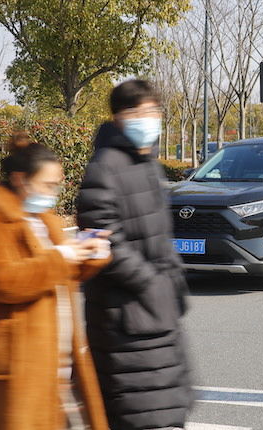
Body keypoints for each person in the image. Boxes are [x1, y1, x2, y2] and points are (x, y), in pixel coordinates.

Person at [0, 132, 111, 430]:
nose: (53, 193)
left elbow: (59, 273)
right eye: (47, 185)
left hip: (52, 361)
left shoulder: (44, 218)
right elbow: (5, 281)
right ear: (20, 180)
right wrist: (64, 256)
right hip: (16, 366)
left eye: (56, 185)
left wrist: (90, 254)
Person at [76, 80, 192, 430]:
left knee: (166, 409)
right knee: (141, 414)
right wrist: (153, 285)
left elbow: (159, 235)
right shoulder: (105, 166)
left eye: (154, 112)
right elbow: (102, 238)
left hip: (157, 317)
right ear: (119, 117)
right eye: (140, 112)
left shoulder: (146, 163)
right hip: (124, 319)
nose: (149, 120)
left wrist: (174, 282)